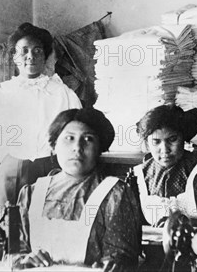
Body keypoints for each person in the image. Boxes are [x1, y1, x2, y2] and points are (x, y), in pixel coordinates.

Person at [13, 108, 141, 270]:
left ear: (100, 147)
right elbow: (14, 253)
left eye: (88, 139)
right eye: (69, 138)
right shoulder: (31, 194)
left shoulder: (115, 195)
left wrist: (112, 265)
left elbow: (124, 258)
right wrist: (25, 260)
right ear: (54, 145)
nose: (77, 147)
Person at [0, 23, 82, 211]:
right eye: (23, 51)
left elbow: (77, 133)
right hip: (11, 170)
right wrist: (15, 159)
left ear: (45, 55)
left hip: (52, 170)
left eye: (37, 51)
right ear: (14, 56)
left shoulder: (63, 93)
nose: (30, 56)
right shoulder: (2, 95)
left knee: (46, 226)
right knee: (8, 230)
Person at [133, 104, 197, 226]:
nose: (164, 149)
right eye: (156, 142)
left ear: (183, 137)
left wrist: (184, 223)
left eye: (172, 139)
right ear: (147, 143)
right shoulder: (140, 175)